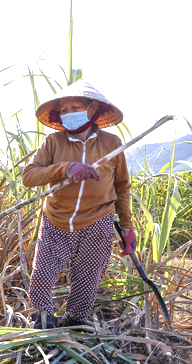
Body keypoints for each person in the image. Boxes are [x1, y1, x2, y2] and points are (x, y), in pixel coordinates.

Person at [21, 80, 136, 329]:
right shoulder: (53, 142)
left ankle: (75, 326)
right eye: (63, 109)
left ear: (92, 108)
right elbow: (29, 176)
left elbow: (122, 187)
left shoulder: (111, 144)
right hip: (56, 220)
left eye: (75, 107)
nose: (68, 113)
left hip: (97, 221)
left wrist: (127, 227)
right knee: (41, 278)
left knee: (87, 280)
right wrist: (66, 168)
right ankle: (41, 325)